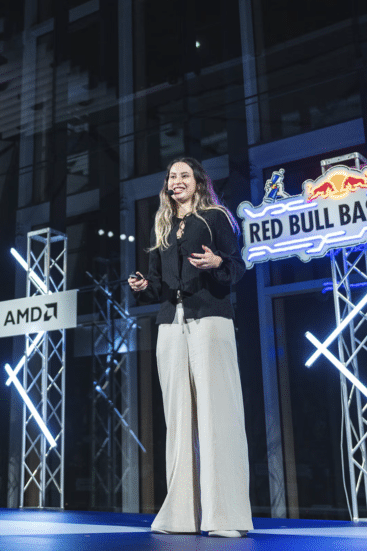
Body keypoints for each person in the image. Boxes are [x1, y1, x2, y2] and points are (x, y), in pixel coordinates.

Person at [127, 157, 252, 538]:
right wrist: (142, 284)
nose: (176, 180)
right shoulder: (163, 224)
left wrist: (217, 262)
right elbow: (156, 278)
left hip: (210, 318)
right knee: (178, 419)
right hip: (171, 322)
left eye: (183, 175)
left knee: (216, 414)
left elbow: (238, 264)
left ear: (198, 182)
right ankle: (181, 515)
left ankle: (224, 517)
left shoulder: (216, 217)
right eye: (171, 176)